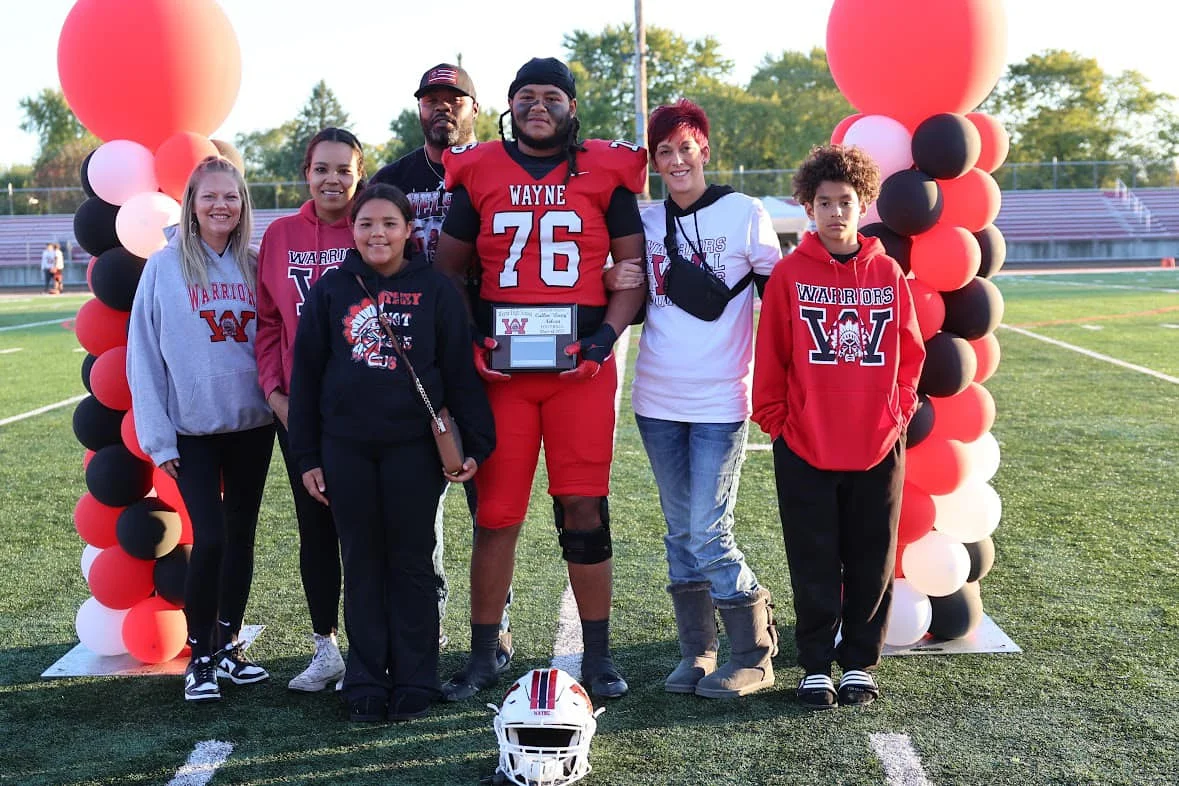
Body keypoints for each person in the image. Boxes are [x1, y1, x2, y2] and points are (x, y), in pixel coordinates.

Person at [434, 56, 647, 701]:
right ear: (509, 106)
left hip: (579, 367)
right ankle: (482, 654)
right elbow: (448, 274)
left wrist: (606, 341)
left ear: (572, 107)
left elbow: (632, 272)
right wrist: (472, 339)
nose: (537, 105)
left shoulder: (606, 173)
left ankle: (600, 653)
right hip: (503, 372)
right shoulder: (479, 173)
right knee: (496, 515)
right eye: (525, 95)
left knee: (584, 507)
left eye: (551, 95)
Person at [286, 183, 495, 722]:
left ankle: (414, 678)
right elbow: (305, 377)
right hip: (345, 448)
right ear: (352, 231)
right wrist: (307, 455)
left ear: (407, 230)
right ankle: (365, 678)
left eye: (388, 224)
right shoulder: (332, 288)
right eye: (366, 224)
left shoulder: (435, 289)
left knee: (411, 562)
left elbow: (457, 372)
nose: (377, 234)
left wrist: (476, 442)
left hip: (412, 450)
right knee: (360, 561)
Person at [752, 144, 925, 710]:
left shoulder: (888, 272)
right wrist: (778, 423)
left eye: (845, 201)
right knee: (813, 557)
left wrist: (896, 414)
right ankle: (816, 665)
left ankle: (858, 664)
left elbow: (910, 353)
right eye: (823, 202)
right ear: (807, 205)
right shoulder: (789, 275)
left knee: (873, 558)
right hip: (805, 442)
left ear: (864, 203)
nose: (834, 213)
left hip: (877, 443)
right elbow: (770, 355)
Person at [631, 99, 782, 699]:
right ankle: (698, 650)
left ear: (705, 150)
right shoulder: (645, 221)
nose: (675, 160)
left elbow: (781, 297)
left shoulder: (745, 212)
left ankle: (754, 652)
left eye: (684, 148)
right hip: (657, 397)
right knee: (678, 531)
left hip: (721, 398)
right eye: (663, 152)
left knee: (709, 531)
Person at [371, 64, 512, 664]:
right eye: (432, 99)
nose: (442, 109)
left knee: (489, 500)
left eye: (454, 99)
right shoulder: (392, 178)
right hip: (409, 361)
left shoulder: (500, 170)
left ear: (473, 110)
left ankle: (492, 625)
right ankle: (427, 626)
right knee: (415, 510)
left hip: (483, 353)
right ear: (419, 110)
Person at [127, 155, 275, 703]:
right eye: (209, 196)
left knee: (240, 538)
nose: (221, 205)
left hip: (251, 425)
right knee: (209, 537)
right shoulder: (164, 267)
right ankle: (200, 653)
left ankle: (228, 644)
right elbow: (143, 356)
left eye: (231, 196)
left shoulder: (257, 264)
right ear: (191, 204)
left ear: (243, 205)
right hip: (192, 428)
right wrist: (158, 437)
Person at [255, 127, 364, 693]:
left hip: (365, 411)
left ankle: (375, 648)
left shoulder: (373, 227)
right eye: (322, 168)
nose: (332, 179)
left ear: (359, 173)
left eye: (343, 169)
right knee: (315, 528)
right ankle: (326, 648)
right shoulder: (280, 235)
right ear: (306, 172)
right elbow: (269, 321)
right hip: (299, 413)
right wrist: (275, 394)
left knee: (368, 529)